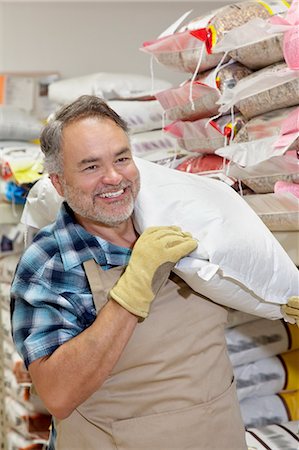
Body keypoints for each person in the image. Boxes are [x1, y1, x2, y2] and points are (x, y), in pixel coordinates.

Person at [10, 95, 247, 450]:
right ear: (58, 183)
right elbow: (57, 394)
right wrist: (133, 286)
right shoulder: (49, 261)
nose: (114, 177)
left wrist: (274, 301)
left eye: (122, 158)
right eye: (90, 167)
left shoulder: (182, 221)